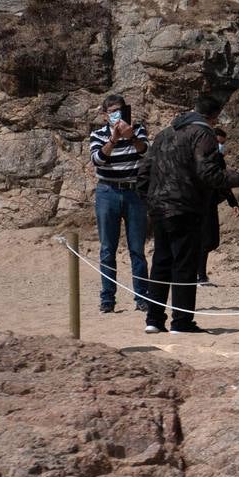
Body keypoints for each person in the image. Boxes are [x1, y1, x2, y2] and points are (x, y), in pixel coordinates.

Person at [139, 94, 239, 334]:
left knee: (161, 263)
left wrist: (151, 200)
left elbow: (144, 172)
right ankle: (181, 322)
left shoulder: (164, 134)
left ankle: (153, 319)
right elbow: (208, 172)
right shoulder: (203, 134)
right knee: (184, 264)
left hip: (159, 208)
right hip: (185, 206)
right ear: (213, 117)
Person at [89, 94, 150, 313]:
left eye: (120, 110)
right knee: (107, 249)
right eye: (113, 110)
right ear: (105, 115)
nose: (117, 114)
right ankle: (107, 299)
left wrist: (131, 137)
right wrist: (113, 140)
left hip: (134, 193)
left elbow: (146, 153)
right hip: (107, 192)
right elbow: (97, 159)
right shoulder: (97, 134)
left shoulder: (138, 130)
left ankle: (142, 297)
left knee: (137, 249)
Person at [196, 127, 239, 284]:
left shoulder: (219, 159)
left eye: (223, 144)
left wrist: (232, 202)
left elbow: (223, 180)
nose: (221, 146)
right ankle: (200, 275)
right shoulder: (199, 157)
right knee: (204, 239)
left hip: (211, 202)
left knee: (212, 240)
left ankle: (199, 273)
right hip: (198, 203)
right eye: (219, 143)